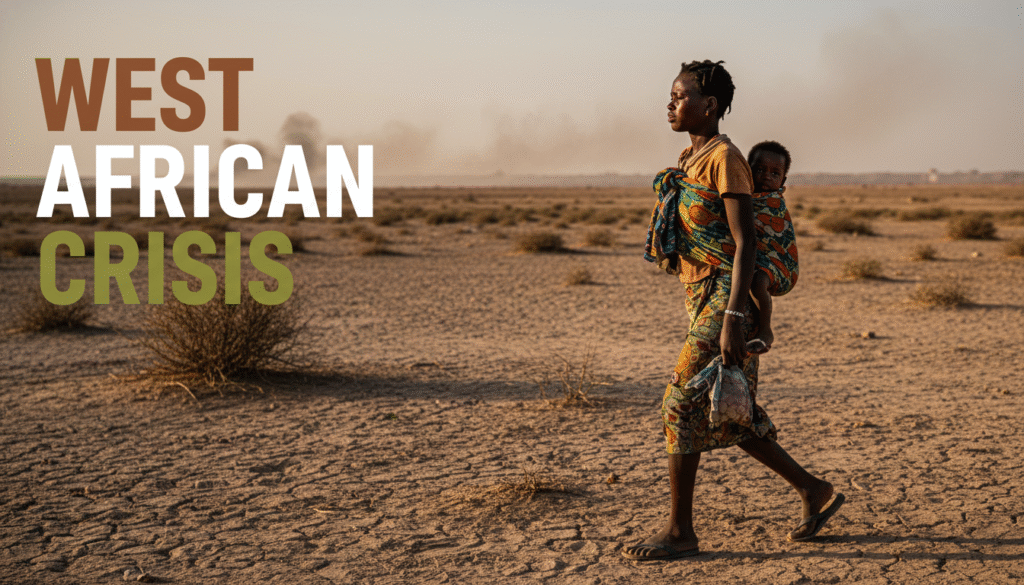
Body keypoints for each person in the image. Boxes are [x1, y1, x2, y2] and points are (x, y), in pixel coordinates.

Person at [625, 60, 844, 561]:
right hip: (702, 296)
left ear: (710, 106)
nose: (670, 104)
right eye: (671, 96)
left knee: (680, 403)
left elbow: (747, 243)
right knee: (728, 408)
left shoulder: (725, 159)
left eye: (680, 97)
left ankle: (680, 531)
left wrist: (733, 318)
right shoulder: (690, 157)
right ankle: (812, 489)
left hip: (728, 298)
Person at [745, 139, 799, 352]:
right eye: (759, 170)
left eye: (775, 173)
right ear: (747, 170)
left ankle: (766, 330)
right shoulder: (742, 197)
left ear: (783, 180)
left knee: (758, 281)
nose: (767, 176)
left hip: (780, 265)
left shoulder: (773, 203)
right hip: (756, 259)